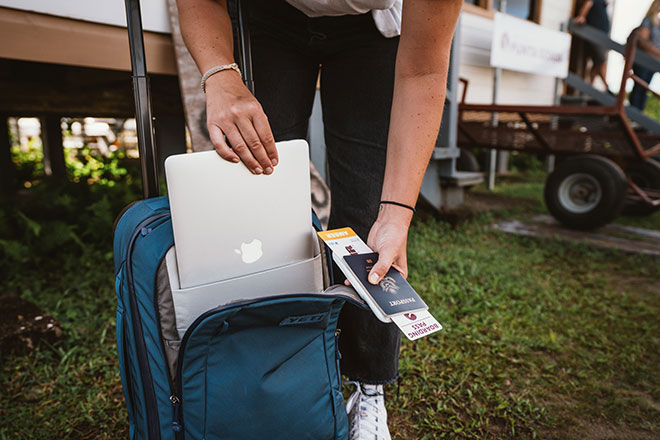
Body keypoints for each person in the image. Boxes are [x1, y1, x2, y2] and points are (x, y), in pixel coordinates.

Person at [177, 0, 461, 438]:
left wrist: (397, 214)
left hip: (374, 34)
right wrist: (219, 75)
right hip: (264, 16)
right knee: (258, 200)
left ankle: (367, 385)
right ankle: (266, 375)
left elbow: (423, 71)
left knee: (370, 215)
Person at [630, 0, 660, 111]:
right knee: (639, 88)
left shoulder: (658, 23)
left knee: (644, 89)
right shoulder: (648, 21)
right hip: (644, 61)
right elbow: (643, 42)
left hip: (653, 62)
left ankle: (639, 115)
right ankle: (634, 114)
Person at [574, 0, 611, 90]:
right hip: (596, 35)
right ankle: (606, 87)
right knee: (601, 61)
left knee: (596, 63)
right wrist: (581, 16)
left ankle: (591, 87)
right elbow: (588, 3)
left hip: (601, 36)